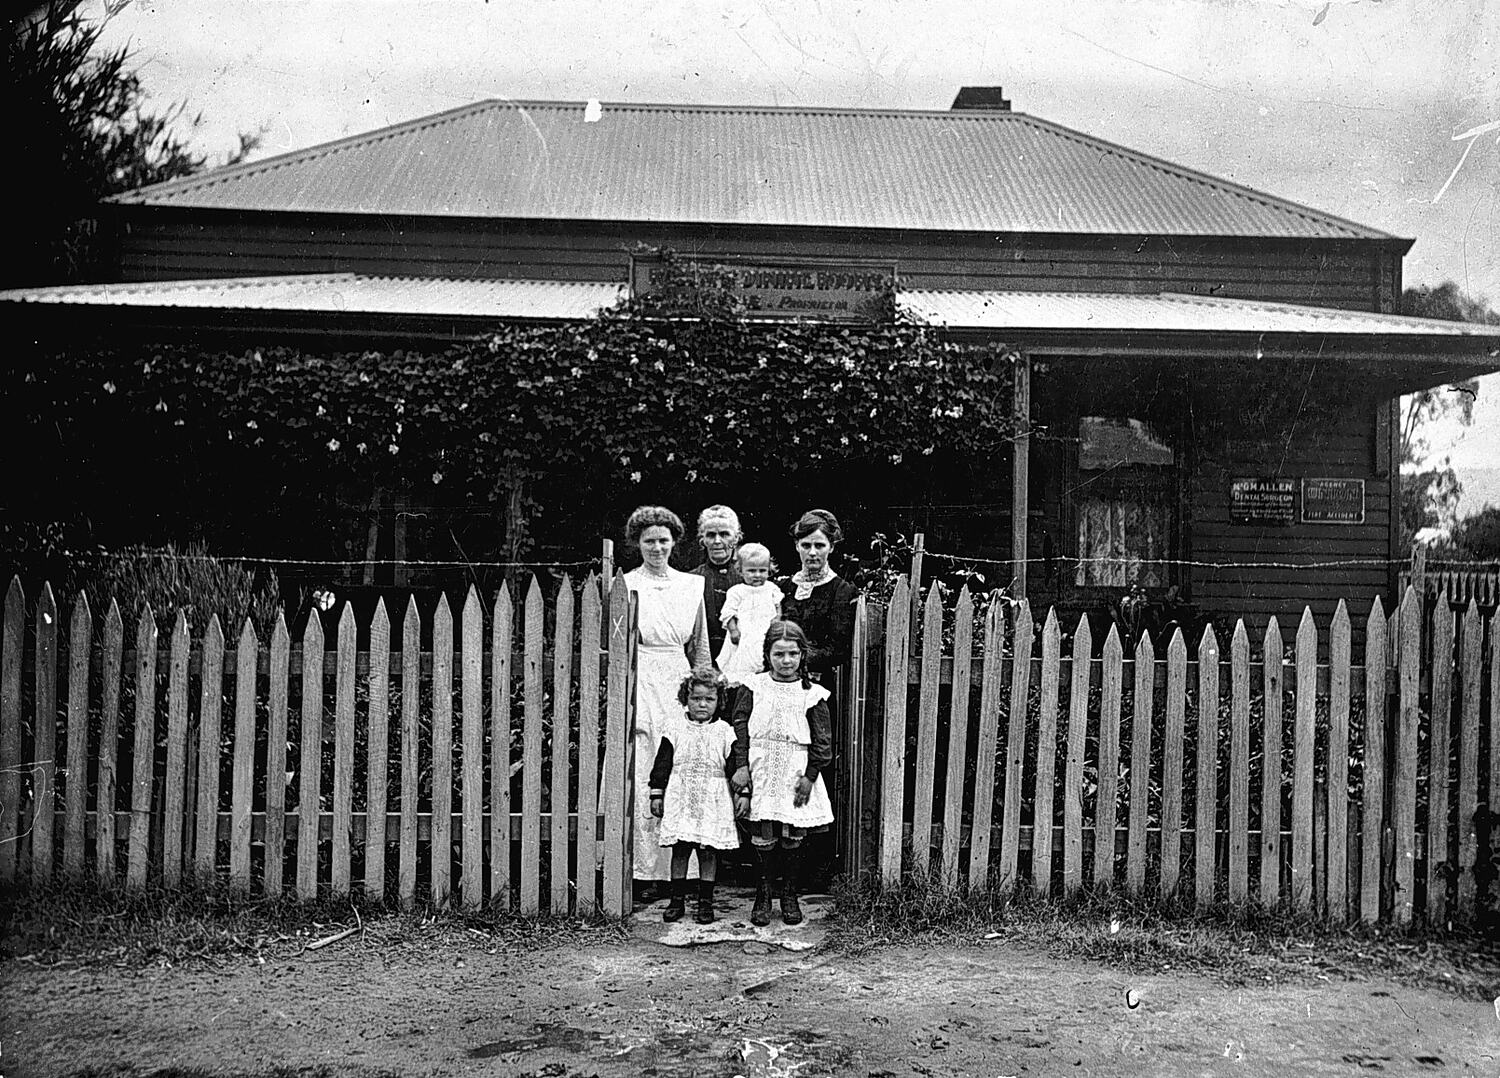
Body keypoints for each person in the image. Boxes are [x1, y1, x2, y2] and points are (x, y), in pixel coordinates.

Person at [623, 505, 711, 890]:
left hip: (677, 679)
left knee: (680, 762)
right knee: (643, 763)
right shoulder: (624, 584)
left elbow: (701, 648)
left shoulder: (691, 586)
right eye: (649, 541)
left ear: (674, 542)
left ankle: (680, 872)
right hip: (640, 677)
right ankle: (640, 869)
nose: (656, 548)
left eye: (663, 540)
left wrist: (702, 691)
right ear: (637, 544)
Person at [730, 620, 834, 927]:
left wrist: (811, 775)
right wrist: (741, 766)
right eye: (779, 654)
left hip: (795, 770)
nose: (786, 661)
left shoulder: (812, 693)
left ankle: (789, 894)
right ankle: (764, 893)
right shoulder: (754, 686)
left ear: (802, 655)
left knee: (791, 831)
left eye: (792, 654)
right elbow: (740, 729)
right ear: (767, 655)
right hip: (760, 766)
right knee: (764, 831)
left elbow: (822, 739)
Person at [648, 666, 749, 924]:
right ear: (686, 699)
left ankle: (706, 903)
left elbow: (733, 767)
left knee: (708, 851)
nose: (702, 704)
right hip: (682, 796)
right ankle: (677, 900)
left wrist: (742, 793)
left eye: (709, 699)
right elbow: (663, 763)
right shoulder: (674, 728)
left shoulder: (725, 731)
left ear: (719, 701)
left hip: (713, 799)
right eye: (696, 698)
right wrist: (656, 793)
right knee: (680, 850)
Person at [777, 509, 860, 699]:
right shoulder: (781, 587)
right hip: (778, 684)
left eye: (819, 545)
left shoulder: (842, 591)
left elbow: (837, 649)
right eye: (806, 545)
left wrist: (794, 661)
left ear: (831, 547)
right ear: (797, 546)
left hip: (817, 687)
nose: (812, 552)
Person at [715, 543, 781, 686]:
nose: (757, 575)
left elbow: (778, 607)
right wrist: (733, 630)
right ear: (740, 570)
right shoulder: (737, 591)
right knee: (742, 660)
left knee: (763, 658)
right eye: (751, 571)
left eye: (762, 571)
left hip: (765, 631)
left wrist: (777, 621)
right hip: (744, 633)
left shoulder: (771, 588)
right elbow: (729, 613)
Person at [688, 505, 742, 660]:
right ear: (702, 540)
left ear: (736, 538)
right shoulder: (691, 580)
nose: (717, 541)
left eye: (725, 534)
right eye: (711, 535)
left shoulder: (749, 579)